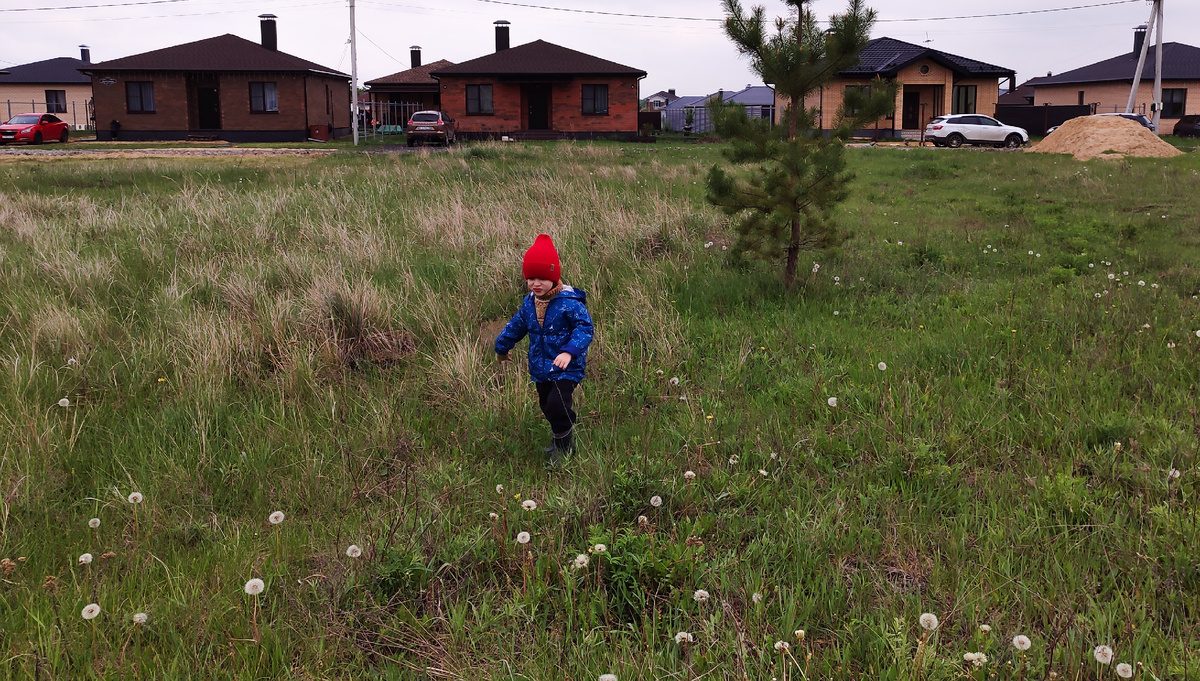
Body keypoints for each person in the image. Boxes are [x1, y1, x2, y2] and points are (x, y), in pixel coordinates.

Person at [495, 234, 593, 466]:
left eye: (541, 278)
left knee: (557, 404)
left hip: (566, 366)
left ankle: (564, 448)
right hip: (541, 366)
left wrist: (569, 351)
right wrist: (502, 347)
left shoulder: (570, 303)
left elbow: (585, 329)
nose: (535, 283)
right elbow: (516, 326)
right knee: (546, 405)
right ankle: (560, 436)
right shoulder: (529, 304)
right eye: (530, 278)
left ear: (554, 277)